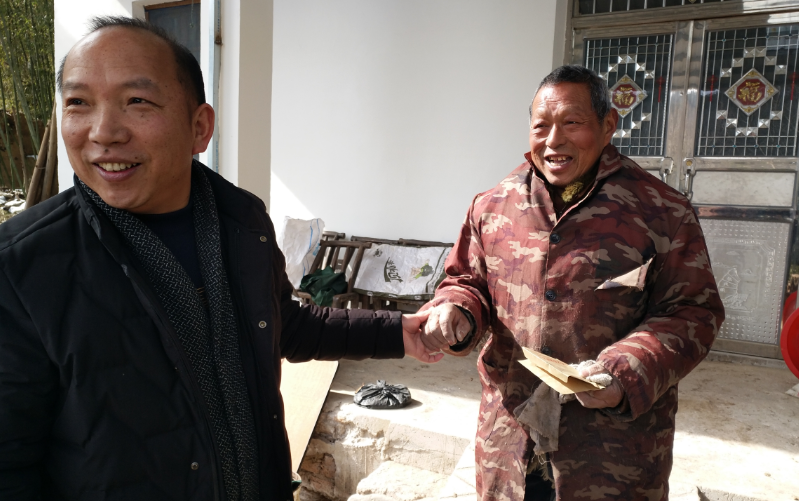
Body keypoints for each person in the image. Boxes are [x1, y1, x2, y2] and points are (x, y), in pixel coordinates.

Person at [0, 17, 439, 501]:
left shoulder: (241, 222)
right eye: (78, 103)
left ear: (199, 127)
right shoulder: (23, 267)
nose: (103, 132)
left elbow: (280, 325)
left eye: (137, 101)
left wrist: (397, 331)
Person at [421, 66, 724, 500]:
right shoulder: (493, 205)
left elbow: (693, 312)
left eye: (572, 123)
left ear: (607, 126)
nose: (553, 140)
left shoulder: (662, 211)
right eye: (540, 126)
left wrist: (623, 369)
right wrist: (456, 310)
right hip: (509, 443)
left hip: (610, 456)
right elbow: (466, 281)